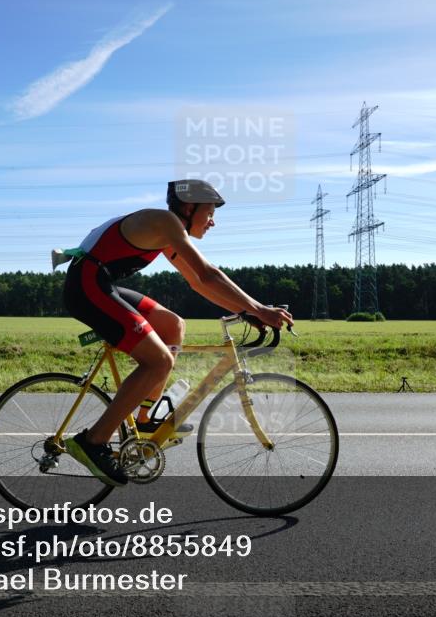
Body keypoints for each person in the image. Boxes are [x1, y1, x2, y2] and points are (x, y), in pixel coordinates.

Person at [57, 179, 293, 486]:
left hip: (99, 282)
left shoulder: (167, 232)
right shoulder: (166, 222)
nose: (213, 221)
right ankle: (92, 441)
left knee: (173, 325)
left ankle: (143, 419)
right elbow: (209, 274)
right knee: (159, 362)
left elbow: (198, 282)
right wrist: (260, 309)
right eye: (209, 212)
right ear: (188, 207)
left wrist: (247, 311)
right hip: (87, 286)